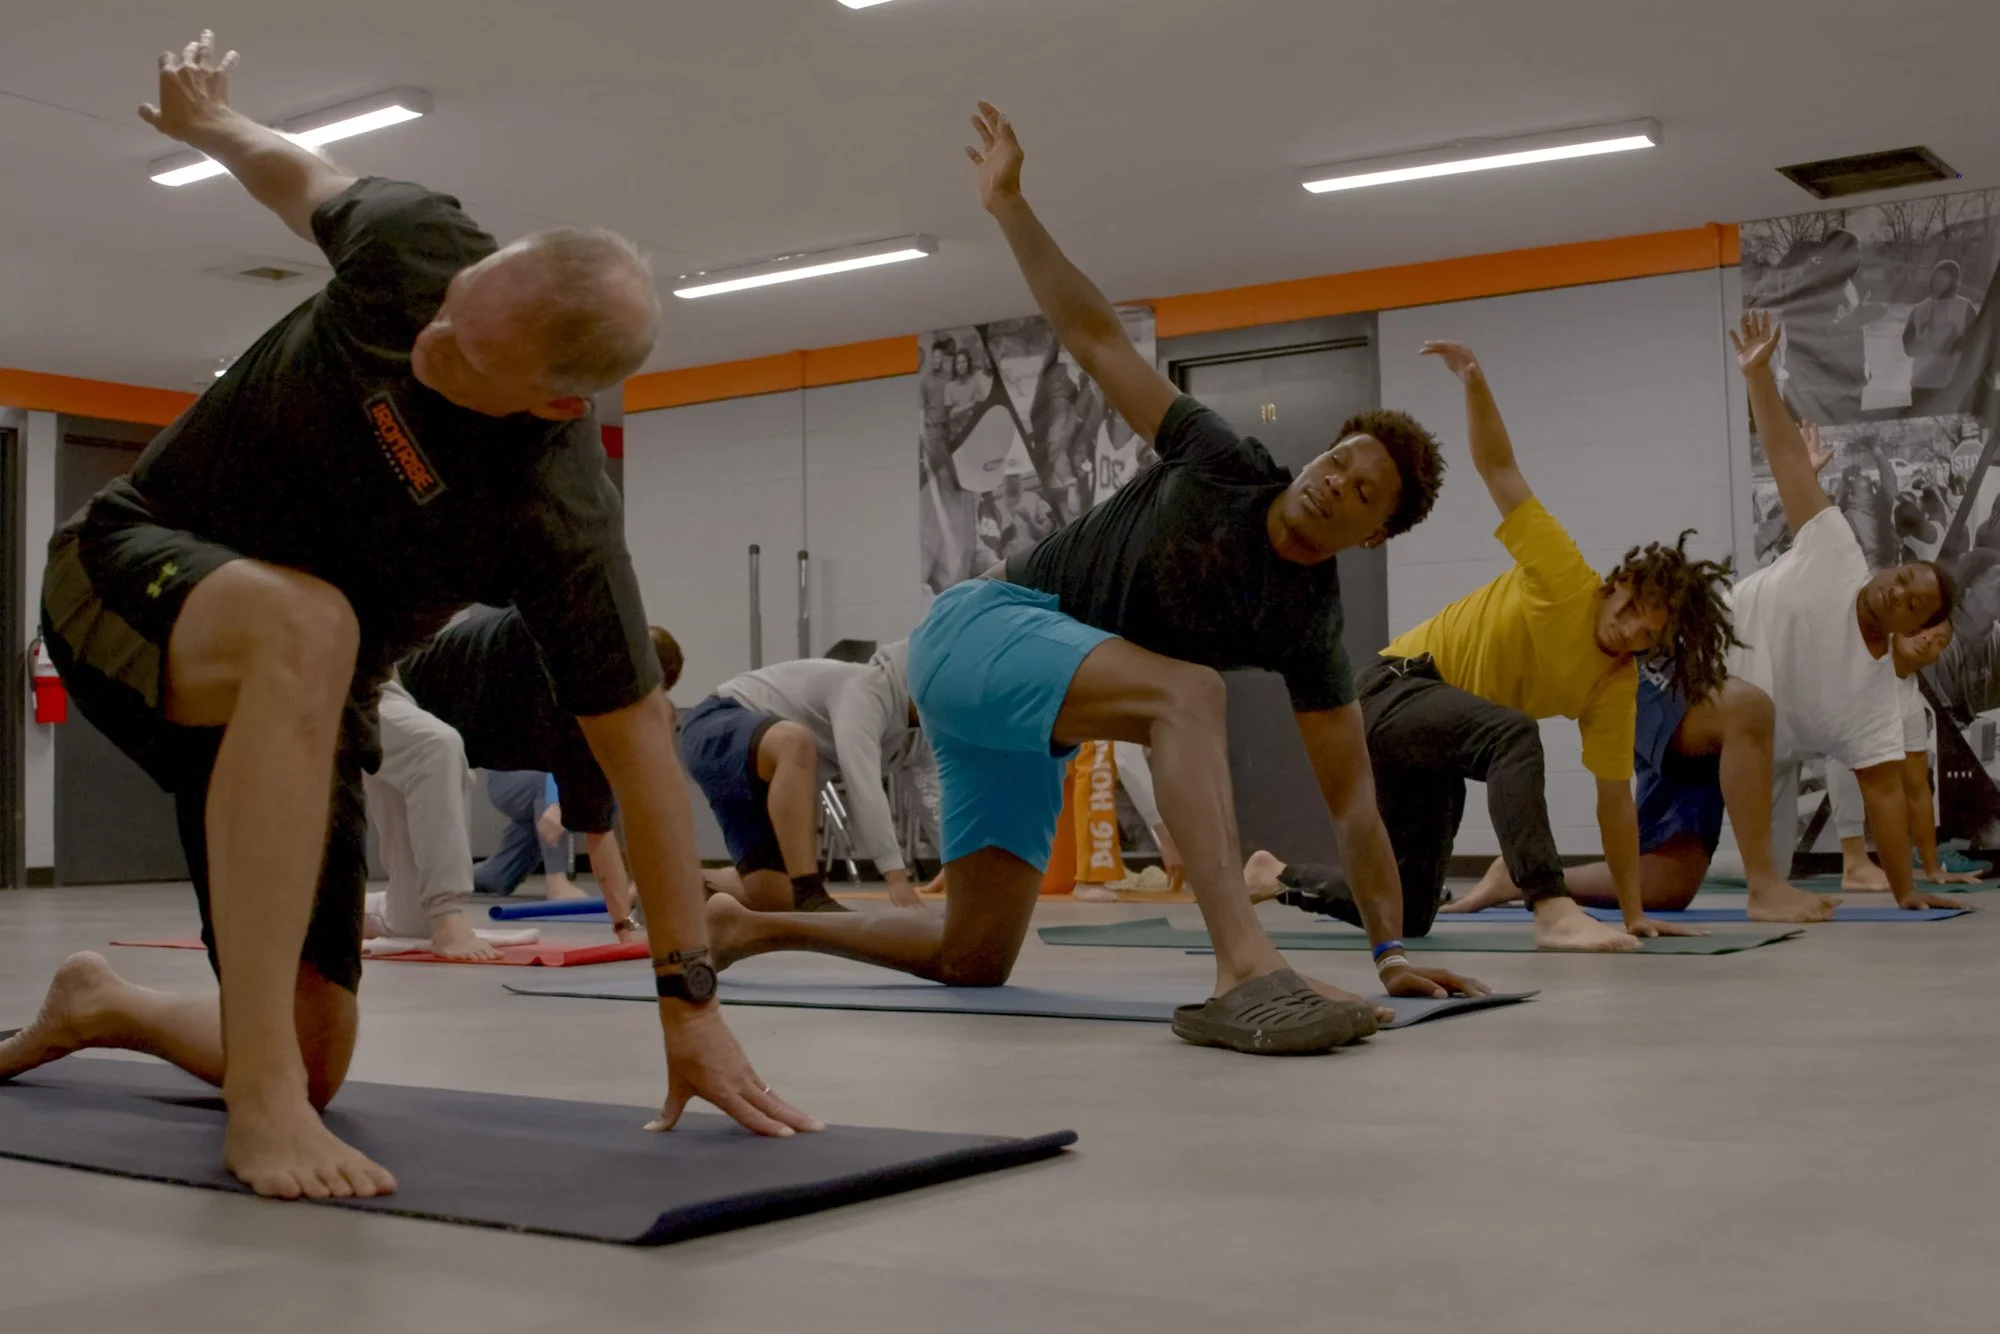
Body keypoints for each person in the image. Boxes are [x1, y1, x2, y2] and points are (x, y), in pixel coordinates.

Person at [0, 32, 814, 1202]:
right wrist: (215, 126)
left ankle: (108, 1003)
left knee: (316, 1050)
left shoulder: (553, 514)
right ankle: (259, 1108)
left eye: (463, 349)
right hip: (127, 569)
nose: (427, 336)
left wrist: (688, 1006)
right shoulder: (417, 248)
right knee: (313, 624)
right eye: (444, 311)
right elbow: (304, 177)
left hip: (302, 693)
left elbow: (639, 751)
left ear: (553, 398)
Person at [701, 102, 1484, 1058]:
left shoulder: (1310, 625)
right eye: (1336, 463)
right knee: (1188, 689)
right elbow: (1097, 339)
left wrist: (1392, 949)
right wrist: (1010, 208)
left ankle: (746, 927)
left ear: (1372, 534)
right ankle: (1243, 962)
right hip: (980, 629)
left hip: (1031, 728)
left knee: (974, 954)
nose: (1333, 485)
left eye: (1361, 493)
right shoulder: (1220, 459)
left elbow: (1354, 802)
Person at [1272, 342, 1736, 950]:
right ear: (1617, 583)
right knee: (1514, 733)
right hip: (1393, 687)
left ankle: (1275, 875)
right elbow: (1500, 468)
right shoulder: (1564, 572)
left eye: (1650, 636)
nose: (1631, 634)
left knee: (1409, 910)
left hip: (1436, 734)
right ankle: (1549, 909)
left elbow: (1614, 803)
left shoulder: (1614, 682)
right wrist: (1473, 382)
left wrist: (1631, 912)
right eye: (1630, 613)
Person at [399, 607, 686, 942]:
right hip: (406, 693)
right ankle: (553, 880)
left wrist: (625, 926)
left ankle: (475, 880)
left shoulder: (594, 709)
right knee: (437, 761)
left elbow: (601, 829)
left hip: (472, 730)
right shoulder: (570, 647)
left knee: (442, 895)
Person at [681, 641, 936, 914]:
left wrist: (959, 864)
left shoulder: (924, 733)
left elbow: (935, 802)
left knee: (773, 897)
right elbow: (863, 785)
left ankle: (673, 884)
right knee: (796, 740)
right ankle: (810, 891)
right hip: (716, 722)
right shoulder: (864, 689)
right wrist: (895, 876)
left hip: (757, 774)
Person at [1829, 620, 1985, 889]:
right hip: (1779, 730)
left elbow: (1918, 790)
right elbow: (1842, 754)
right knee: (1852, 752)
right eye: (1920, 630)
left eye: (1939, 640)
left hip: (1787, 752)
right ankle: (1853, 863)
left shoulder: (1913, 703)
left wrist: (1932, 868)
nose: (1928, 639)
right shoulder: (1864, 671)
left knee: (1773, 869)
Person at [356, 678, 499, 960]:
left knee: (413, 922)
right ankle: (447, 916)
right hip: (300, 674)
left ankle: (344, 912)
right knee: (435, 746)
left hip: (369, 681)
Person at [469, 769, 590, 901]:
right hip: (509, 774)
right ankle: (556, 881)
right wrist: (554, 802)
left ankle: (450, 876)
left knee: (498, 877)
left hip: (544, 775)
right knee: (547, 781)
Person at [1905, 259, 1979, 416]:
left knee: (1953, 435)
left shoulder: (1965, 307)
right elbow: (1908, 348)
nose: (1940, 279)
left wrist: (1952, 344)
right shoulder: (1918, 309)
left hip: (1954, 384)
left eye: (1946, 276)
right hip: (1922, 385)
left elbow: (1976, 342)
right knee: (1923, 435)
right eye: (1937, 274)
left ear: (1955, 281)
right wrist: (1927, 345)